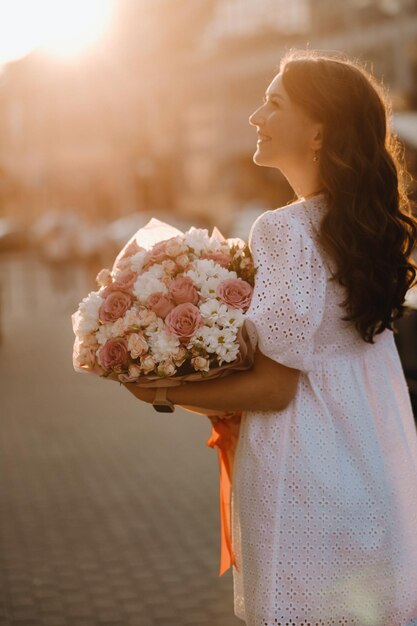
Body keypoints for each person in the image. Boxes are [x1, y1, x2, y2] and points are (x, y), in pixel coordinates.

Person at [123, 49, 417, 625]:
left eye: (274, 103)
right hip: (374, 465)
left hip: (303, 475)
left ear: (319, 130)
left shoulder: (282, 229)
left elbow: (276, 388)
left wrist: (160, 394)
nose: (255, 117)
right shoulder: (368, 232)